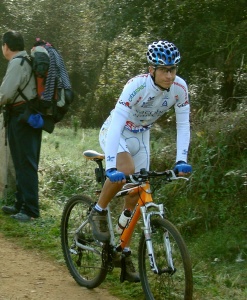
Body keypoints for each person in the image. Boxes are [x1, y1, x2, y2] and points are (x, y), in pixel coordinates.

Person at [88, 40, 192, 282]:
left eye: (173, 69)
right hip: (117, 131)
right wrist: (112, 165)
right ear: (151, 69)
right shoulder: (135, 87)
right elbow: (116, 124)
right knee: (127, 170)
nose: (170, 75)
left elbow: (184, 124)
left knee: (136, 193)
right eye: (164, 70)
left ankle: (121, 249)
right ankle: (98, 211)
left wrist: (181, 160)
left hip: (142, 135)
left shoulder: (180, 88)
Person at [0, 30, 42, 222]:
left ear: (6, 46)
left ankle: (31, 210)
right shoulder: (26, 60)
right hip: (27, 115)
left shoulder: (17, 62)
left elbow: (5, 94)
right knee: (21, 161)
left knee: (25, 163)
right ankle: (21, 203)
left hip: (22, 117)